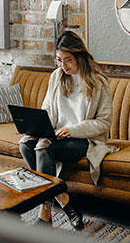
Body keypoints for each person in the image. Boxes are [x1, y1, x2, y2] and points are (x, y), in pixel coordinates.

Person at [19, 31, 117, 229]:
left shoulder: (99, 82)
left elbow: (104, 122)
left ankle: (45, 213)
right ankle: (63, 198)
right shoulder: (56, 77)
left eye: (68, 61)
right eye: (59, 61)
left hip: (83, 140)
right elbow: (47, 108)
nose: (63, 66)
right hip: (55, 134)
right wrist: (38, 127)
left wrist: (72, 130)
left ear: (80, 56)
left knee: (43, 147)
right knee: (26, 143)